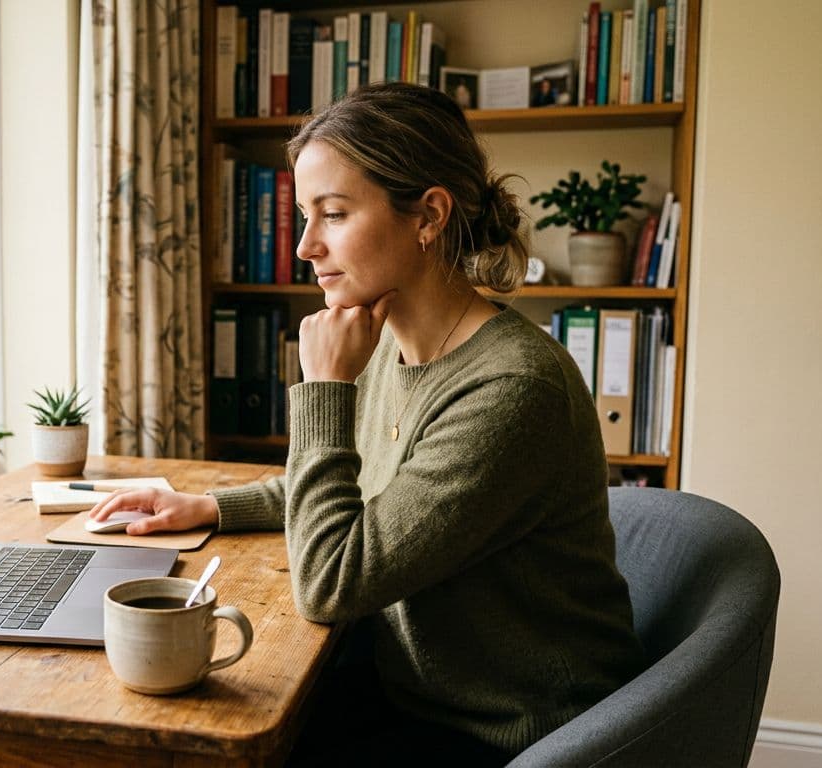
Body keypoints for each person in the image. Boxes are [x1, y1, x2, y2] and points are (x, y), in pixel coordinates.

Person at [89, 81, 644, 765]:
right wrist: (203, 505)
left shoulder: (512, 390)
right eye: (305, 217)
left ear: (429, 215)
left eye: (334, 214)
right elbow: (366, 485)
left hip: (504, 732)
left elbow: (330, 585)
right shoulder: (392, 341)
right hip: (411, 685)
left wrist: (324, 386)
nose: (305, 248)